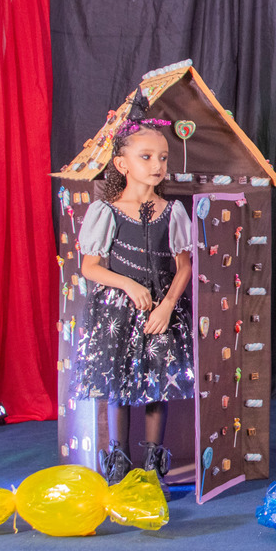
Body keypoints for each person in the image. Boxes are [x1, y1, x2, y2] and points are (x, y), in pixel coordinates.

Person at [73, 94, 194, 487]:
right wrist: (127, 284)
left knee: (158, 384)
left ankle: (153, 467)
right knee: (118, 386)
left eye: (162, 158)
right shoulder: (106, 211)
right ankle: (119, 464)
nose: (157, 165)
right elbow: (90, 267)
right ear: (122, 164)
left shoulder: (173, 212)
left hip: (161, 310)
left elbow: (185, 266)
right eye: (146, 157)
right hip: (118, 312)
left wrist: (167, 306)